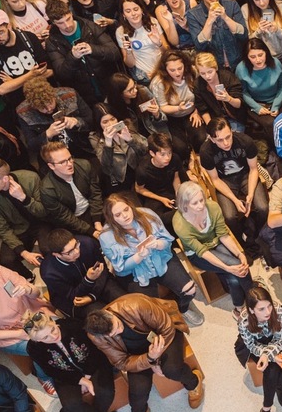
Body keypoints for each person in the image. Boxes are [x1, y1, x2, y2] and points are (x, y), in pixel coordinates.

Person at [84, 293, 204, 412]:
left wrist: (157, 358)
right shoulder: (97, 337)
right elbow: (122, 362)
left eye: (117, 326)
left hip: (165, 336)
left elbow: (166, 328)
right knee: (137, 389)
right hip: (139, 355)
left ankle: (194, 382)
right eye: (112, 334)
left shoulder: (136, 305)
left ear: (108, 313)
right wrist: (151, 360)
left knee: (172, 369)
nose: (118, 332)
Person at [99, 193, 205, 327]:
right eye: (118, 215)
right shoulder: (106, 237)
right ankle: (166, 318)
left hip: (160, 258)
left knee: (190, 290)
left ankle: (182, 308)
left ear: (130, 206)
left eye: (126, 210)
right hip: (135, 273)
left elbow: (167, 240)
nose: (125, 216)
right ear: (111, 218)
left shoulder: (147, 214)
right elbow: (120, 268)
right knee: (148, 309)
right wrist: (138, 257)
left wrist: (158, 244)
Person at [23, 311, 119, 412]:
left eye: (53, 329)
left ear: (53, 321)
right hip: (65, 374)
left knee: (106, 392)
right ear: (37, 340)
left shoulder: (73, 325)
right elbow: (52, 371)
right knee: (71, 405)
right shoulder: (33, 348)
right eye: (45, 337)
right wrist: (79, 381)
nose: (54, 336)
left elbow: (95, 351)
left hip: (92, 363)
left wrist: (86, 376)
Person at [173, 180, 253, 310]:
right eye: (195, 203)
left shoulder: (213, 207)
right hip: (198, 254)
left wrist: (240, 253)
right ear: (185, 204)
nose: (200, 206)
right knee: (238, 266)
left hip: (216, 241)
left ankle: (239, 307)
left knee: (234, 274)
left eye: (201, 200)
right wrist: (227, 267)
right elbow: (202, 251)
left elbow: (223, 234)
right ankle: (253, 297)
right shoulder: (180, 224)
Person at [235, 286, 282, 412]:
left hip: (276, 341)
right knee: (277, 373)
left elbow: (279, 339)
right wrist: (272, 356)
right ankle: (277, 391)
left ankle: (266, 410)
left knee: (272, 370)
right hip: (257, 345)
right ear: (251, 310)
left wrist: (270, 356)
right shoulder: (244, 321)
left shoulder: (280, 311)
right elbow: (250, 345)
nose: (268, 312)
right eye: (261, 309)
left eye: (269, 305)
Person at [199, 118, 267, 253]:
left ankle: (259, 235)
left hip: (246, 175)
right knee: (229, 217)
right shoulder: (206, 151)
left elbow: (254, 169)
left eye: (228, 137)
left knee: (262, 207)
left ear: (231, 131)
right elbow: (215, 179)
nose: (226, 143)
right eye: (219, 140)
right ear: (212, 139)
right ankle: (240, 241)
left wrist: (251, 194)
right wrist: (235, 200)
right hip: (224, 181)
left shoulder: (245, 141)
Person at [38, 229, 126, 320]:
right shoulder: (49, 272)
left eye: (76, 245)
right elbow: (74, 296)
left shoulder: (87, 243)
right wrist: (88, 280)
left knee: (126, 302)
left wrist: (92, 296)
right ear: (57, 255)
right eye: (69, 252)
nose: (76, 251)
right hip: (72, 300)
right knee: (105, 318)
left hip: (99, 283)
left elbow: (103, 271)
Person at [39, 140, 104, 236]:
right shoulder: (47, 189)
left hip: (93, 208)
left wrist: (97, 221)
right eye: (62, 162)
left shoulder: (84, 165)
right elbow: (65, 217)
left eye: (70, 158)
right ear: (51, 166)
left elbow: (95, 194)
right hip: (75, 219)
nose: (70, 164)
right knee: (89, 244)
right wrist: (91, 231)